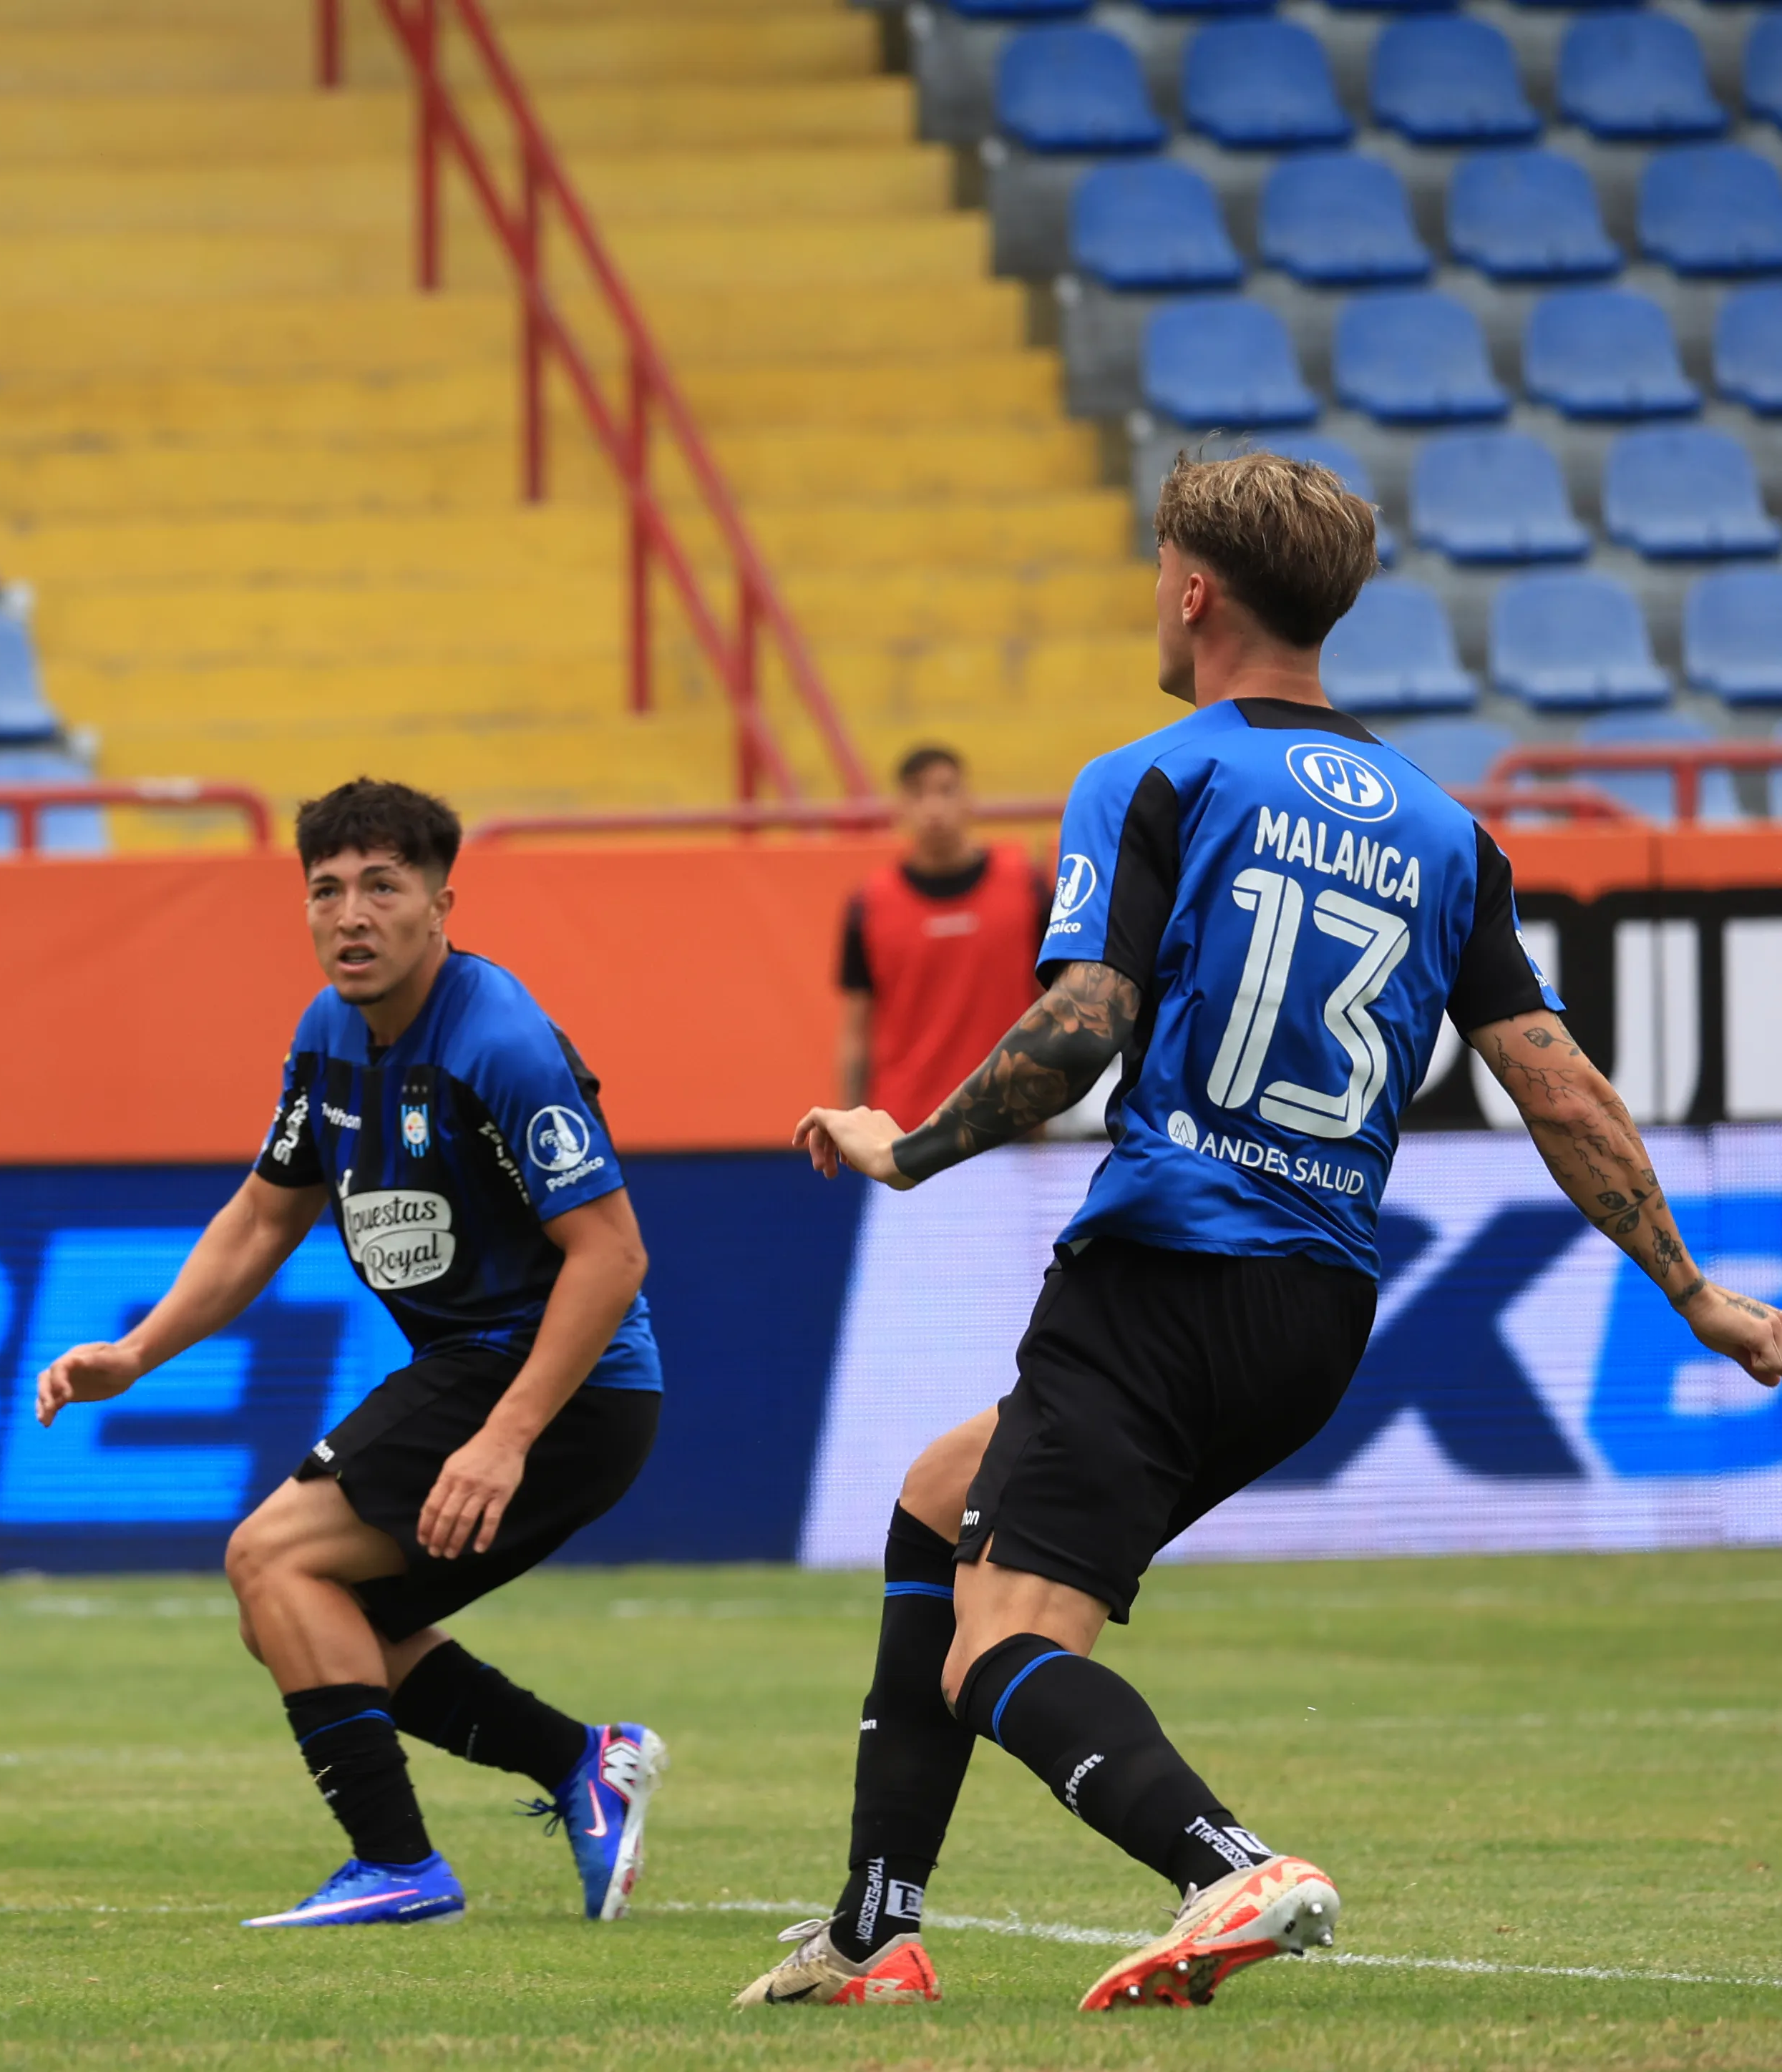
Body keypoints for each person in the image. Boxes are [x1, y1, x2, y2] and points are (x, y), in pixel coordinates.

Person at [747, 451, 1782, 2013]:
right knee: (932, 1498)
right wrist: (1693, 1286)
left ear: (1192, 588)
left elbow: (1086, 1016)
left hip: (1162, 1268)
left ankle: (1228, 1862)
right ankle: (873, 1927)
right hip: (1316, 1317)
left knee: (1002, 1649)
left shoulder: (1158, 775)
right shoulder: (1449, 832)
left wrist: (915, 1147)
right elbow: (1555, 1084)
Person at [35, 778, 667, 1929]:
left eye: (384, 886)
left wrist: (505, 1438)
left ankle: (401, 1866)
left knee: (272, 1560)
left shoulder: (501, 1043)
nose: (351, 914)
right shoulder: (329, 1035)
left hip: (557, 1384)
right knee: (305, 1610)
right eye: (326, 890)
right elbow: (264, 1217)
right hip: (482, 1371)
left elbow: (613, 1256)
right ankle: (585, 1760)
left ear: (442, 903)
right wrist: (134, 1355)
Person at [836, 746, 1051, 1123]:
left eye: (946, 790)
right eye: (919, 794)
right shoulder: (868, 905)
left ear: (969, 799)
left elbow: (1056, 1004)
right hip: (905, 1129)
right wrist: (854, 1120)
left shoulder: (1026, 888)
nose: (933, 808)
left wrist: (1049, 1109)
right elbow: (856, 1032)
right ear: (899, 807)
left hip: (1009, 1122)